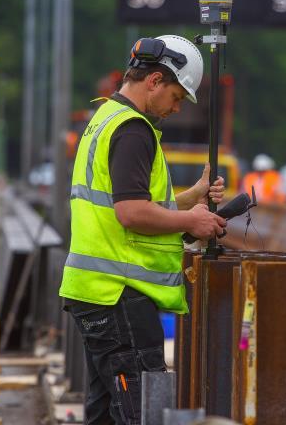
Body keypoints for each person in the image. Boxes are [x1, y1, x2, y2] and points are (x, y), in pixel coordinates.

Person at [58, 35, 227, 425]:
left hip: (96, 291)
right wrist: (192, 221)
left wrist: (193, 198)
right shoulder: (134, 130)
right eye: (177, 96)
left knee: (105, 413)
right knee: (140, 413)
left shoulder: (104, 117)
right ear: (154, 81)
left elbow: (134, 204)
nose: (175, 107)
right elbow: (131, 213)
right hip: (119, 294)